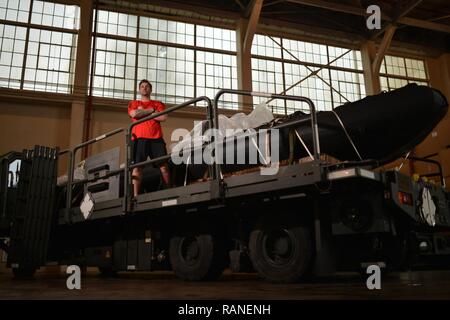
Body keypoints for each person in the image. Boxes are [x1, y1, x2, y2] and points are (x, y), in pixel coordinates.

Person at [128, 79, 170, 196]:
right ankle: (135, 196)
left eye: (147, 86)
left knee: (164, 166)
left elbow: (163, 117)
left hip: (156, 139)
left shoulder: (158, 103)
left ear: (150, 89)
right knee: (137, 168)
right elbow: (134, 114)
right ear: (139, 89)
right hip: (138, 139)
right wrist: (152, 111)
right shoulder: (134, 103)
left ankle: (168, 190)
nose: (144, 88)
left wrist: (143, 112)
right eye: (142, 86)